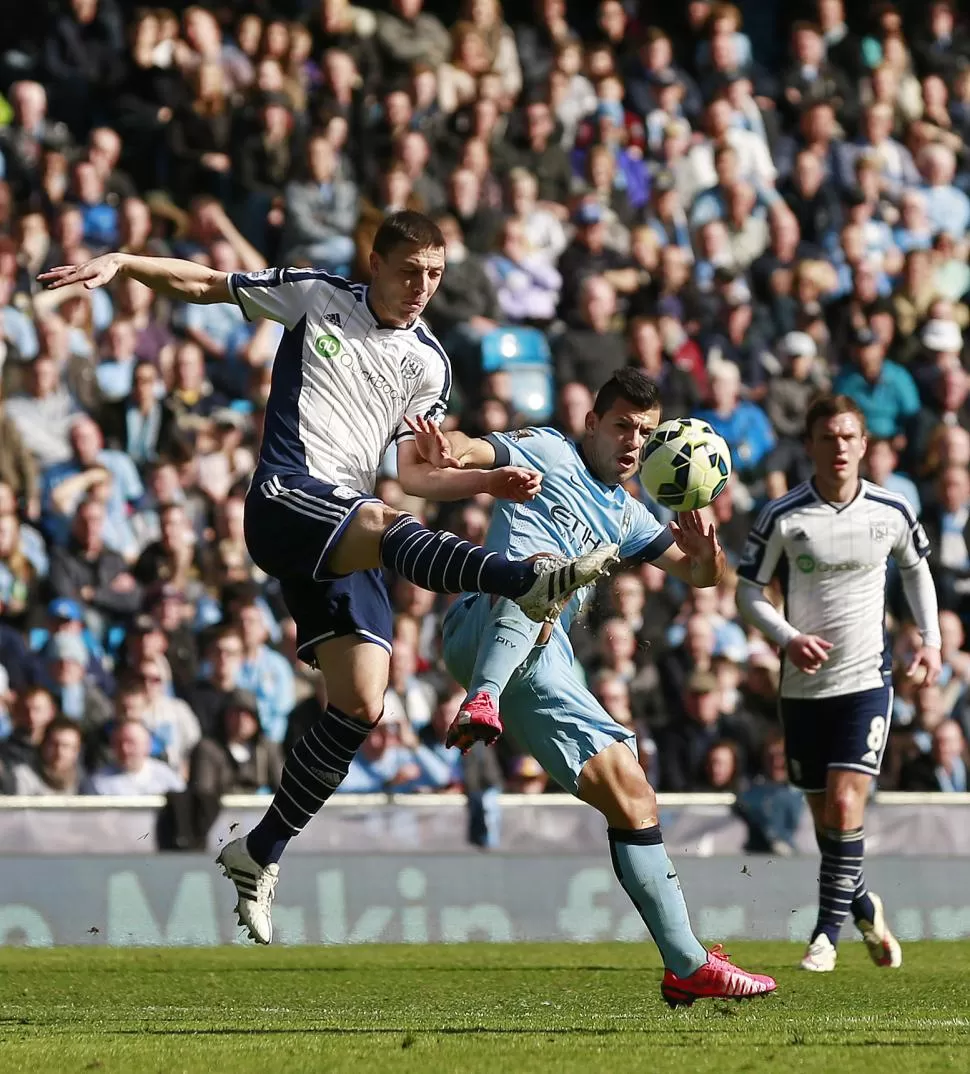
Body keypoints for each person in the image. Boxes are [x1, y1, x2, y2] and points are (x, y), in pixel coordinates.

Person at [40, 210, 614, 942]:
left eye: (435, 275)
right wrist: (126, 261)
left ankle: (260, 851)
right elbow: (209, 284)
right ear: (375, 263)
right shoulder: (316, 296)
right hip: (287, 494)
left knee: (362, 702)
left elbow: (414, 472)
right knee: (381, 524)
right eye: (410, 272)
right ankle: (523, 582)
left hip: (346, 521)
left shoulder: (428, 361)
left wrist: (485, 479)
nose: (422, 287)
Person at [415, 368, 775, 1005]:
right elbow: (479, 449)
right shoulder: (551, 450)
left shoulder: (630, 514)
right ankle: (482, 696)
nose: (633, 441)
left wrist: (706, 551)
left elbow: (700, 578)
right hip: (480, 621)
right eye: (621, 427)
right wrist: (452, 450)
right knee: (542, 574)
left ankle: (685, 964)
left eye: (644, 431)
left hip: (544, 661)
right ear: (591, 425)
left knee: (633, 798)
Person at [736, 394, 942, 974]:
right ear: (811, 446)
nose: (840, 448)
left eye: (850, 437)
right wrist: (786, 637)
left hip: (865, 679)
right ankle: (864, 903)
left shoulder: (891, 510)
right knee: (830, 820)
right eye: (829, 438)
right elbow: (746, 591)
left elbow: (916, 570)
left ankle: (824, 936)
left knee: (849, 802)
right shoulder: (784, 515)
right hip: (803, 688)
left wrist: (931, 640)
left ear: (864, 444)